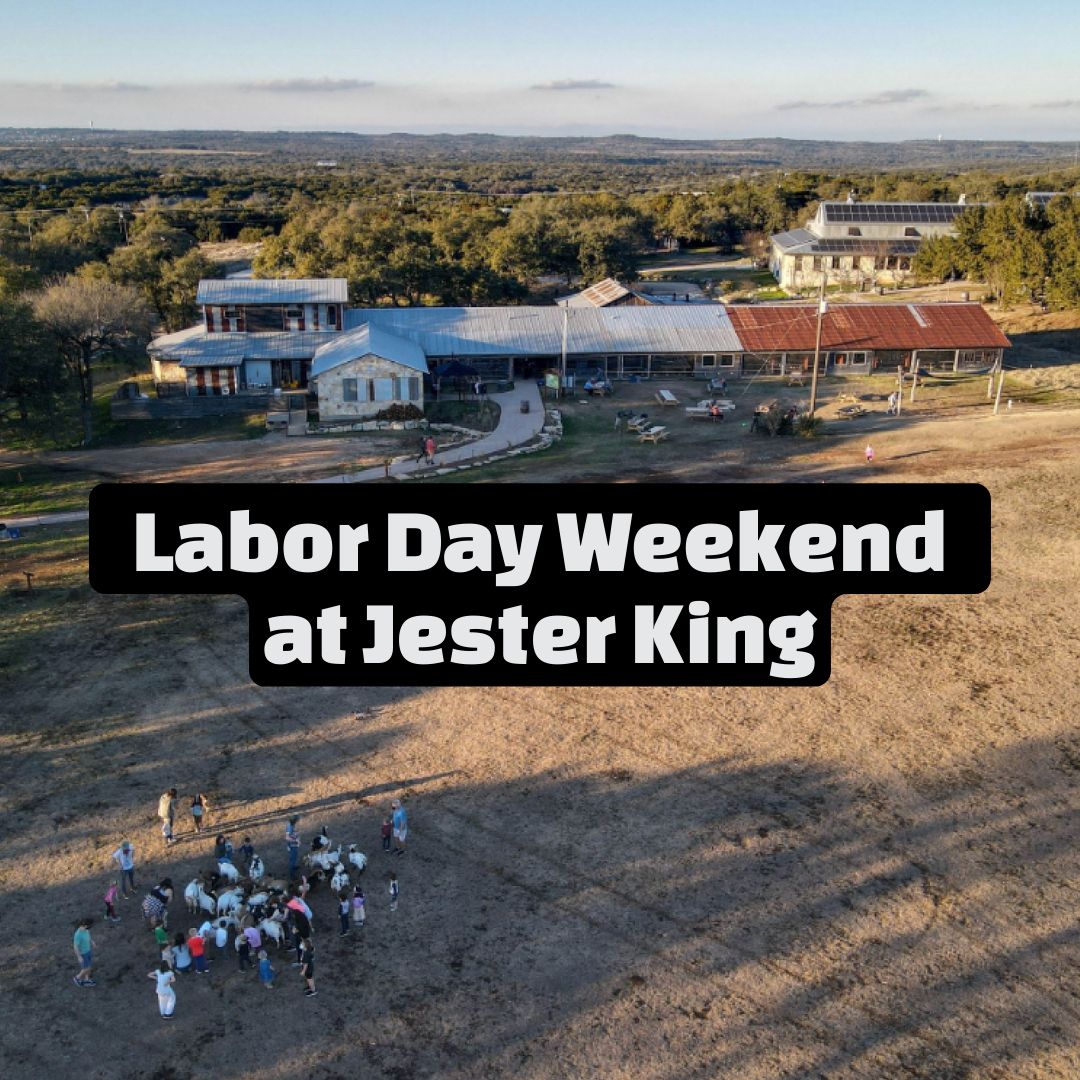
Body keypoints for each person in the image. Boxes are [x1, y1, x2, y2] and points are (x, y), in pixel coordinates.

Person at [73, 918, 95, 987]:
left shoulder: (86, 930)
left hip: (88, 951)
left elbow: (88, 937)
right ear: (85, 925)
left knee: (88, 966)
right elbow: (75, 947)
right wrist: (79, 957)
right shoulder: (78, 934)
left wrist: (92, 942)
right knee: (86, 968)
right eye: (88, 926)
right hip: (83, 954)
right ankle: (77, 978)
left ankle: (87, 980)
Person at [286, 816, 300, 880]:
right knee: (293, 859)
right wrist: (296, 840)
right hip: (292, 846)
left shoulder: (292, 825)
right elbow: (287, 838)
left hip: (294, 845)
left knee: (295, 857)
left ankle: (294, 867)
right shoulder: (289, 827)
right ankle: (292, 874)